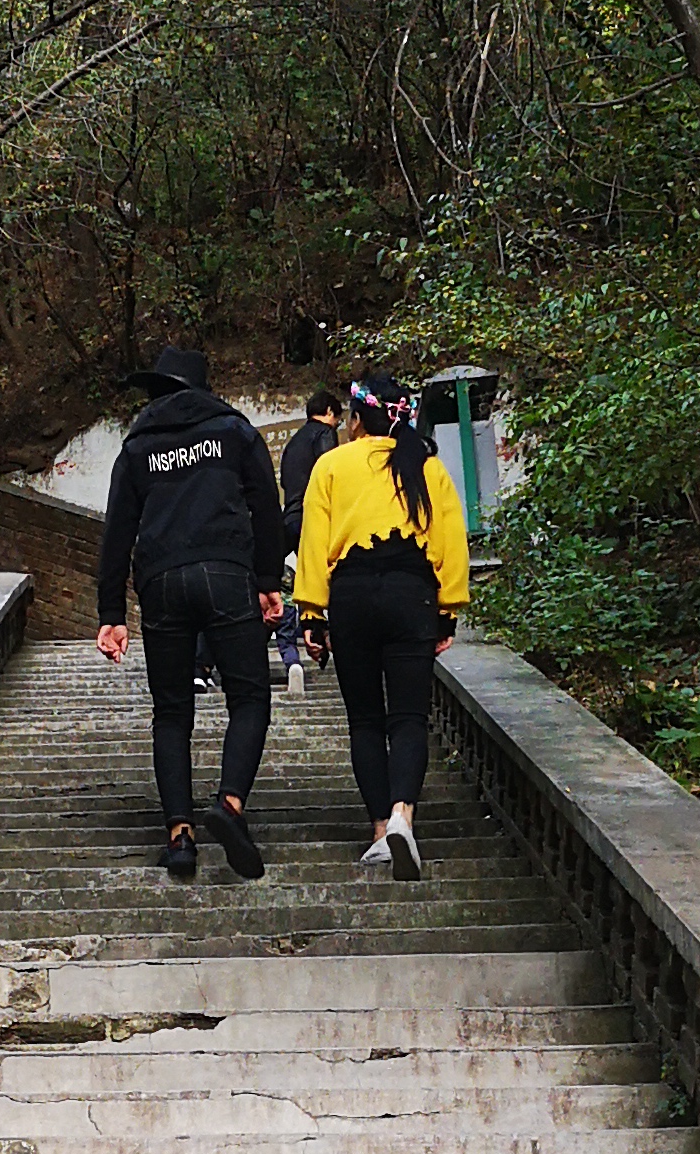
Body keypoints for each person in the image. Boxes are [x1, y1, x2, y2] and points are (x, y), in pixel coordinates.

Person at [95, 344, 285, 880]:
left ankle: (180, 835)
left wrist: (112, 611)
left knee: (173, 711)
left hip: (161, 584)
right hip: (226, 573)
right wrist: (268, 578)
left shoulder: (138, 446)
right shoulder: (232, 431)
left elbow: (117, 532)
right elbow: (266, 503)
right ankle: (229, 806)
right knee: (248, 696)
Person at [292, 364, 469, 878]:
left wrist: (310, 612)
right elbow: (450, 541)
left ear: (356, 420)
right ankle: (402, 817)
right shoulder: (425, 466)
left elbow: (313, 543)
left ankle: (377, 833)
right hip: (411, 593)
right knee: (410, 716)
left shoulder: (332, 466)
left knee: (366, 720)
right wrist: (447, 612)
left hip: (352, 596)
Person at [275, 385, 341, 695]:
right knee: (330, 580)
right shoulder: (323, 436)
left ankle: (294, 644)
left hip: (290, 518)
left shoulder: (293, 443)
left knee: (295, 585)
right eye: (338, 419)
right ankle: (323, 638)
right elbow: (332, 475)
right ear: (329, 413)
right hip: (313, 518)